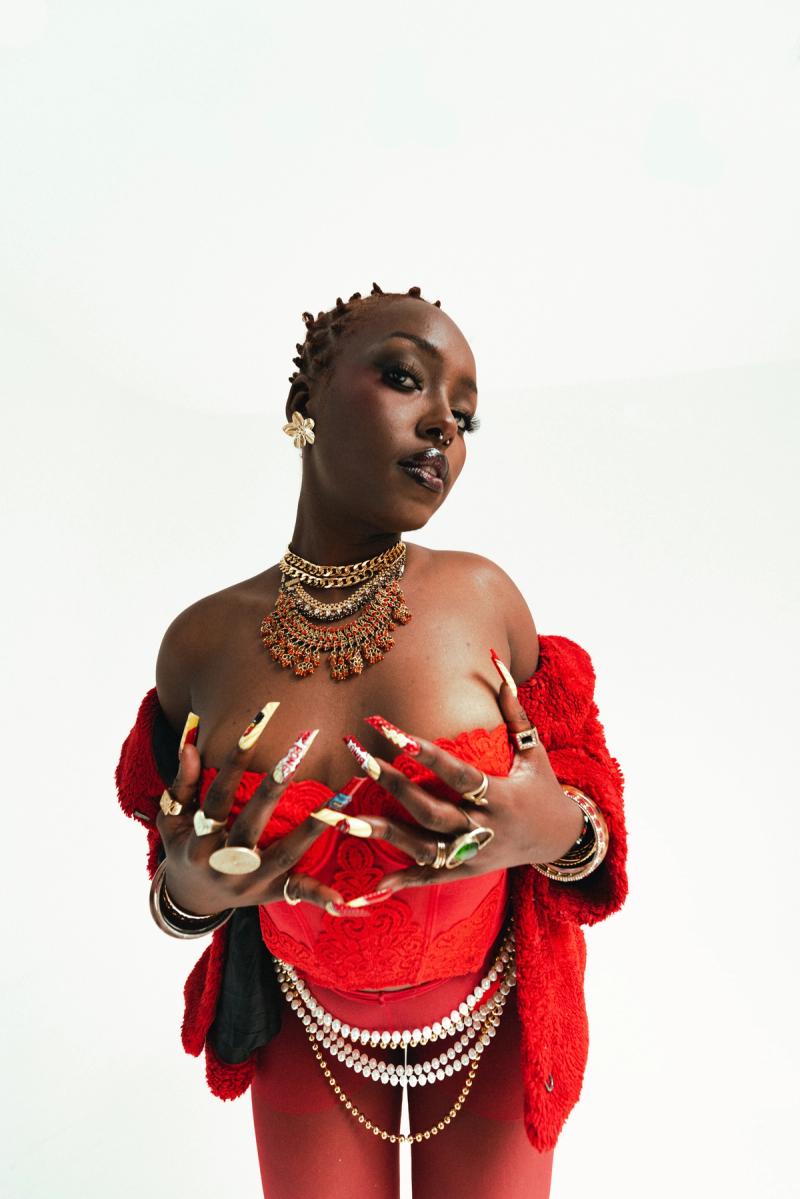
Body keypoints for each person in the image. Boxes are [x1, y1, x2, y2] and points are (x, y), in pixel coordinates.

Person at [116, 283, 628, 1198]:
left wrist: (560, 829)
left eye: (465, 416)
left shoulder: (483, 599)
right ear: (304, 401)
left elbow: (584, 784)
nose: (443, 427)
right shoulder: (199, 645)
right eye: (404, 377)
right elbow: (174, 860)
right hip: (305, 1029)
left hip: (490, 1025)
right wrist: (189, 892)